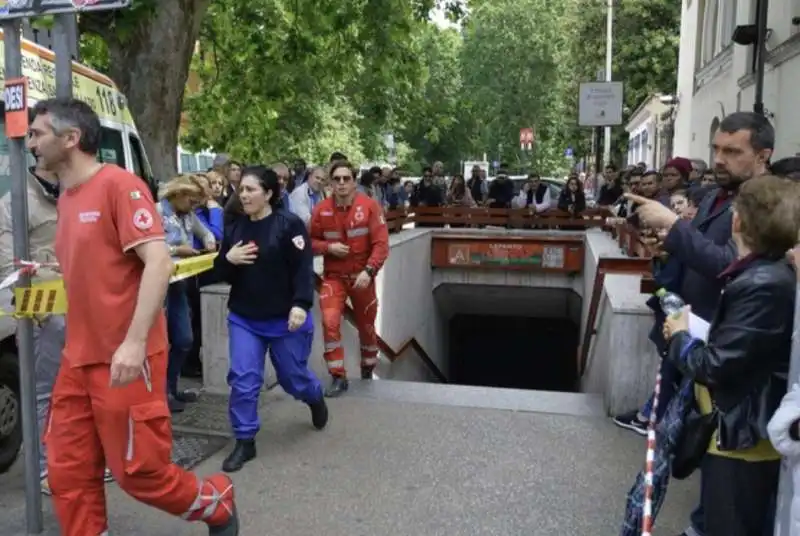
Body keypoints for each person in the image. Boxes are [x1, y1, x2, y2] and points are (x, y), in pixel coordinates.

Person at [27, 97, 238, 536]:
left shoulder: (120, 186)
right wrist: (43, 271)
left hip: (126, 359)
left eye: (37, 132)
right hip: (78, 359)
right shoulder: (66, 199)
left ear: (71, 139)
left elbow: (158, 263)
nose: (28, 141)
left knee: (139, 473)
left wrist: (135, 342)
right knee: (67, 471)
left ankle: (214, 503)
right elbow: (92, 267)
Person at [663, 174, 800, 536]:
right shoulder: (764, 275)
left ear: (737, 220)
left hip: (741, 437)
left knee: (731, 521)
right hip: (735, 427)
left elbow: (716, 367)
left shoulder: (763, 284)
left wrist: (680, 336)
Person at [214, 165, 328, 472]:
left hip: (285, 319)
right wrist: (228, 260)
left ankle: (314, 396)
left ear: (268, 194)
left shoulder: (288, 225)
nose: (244, 194)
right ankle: (245, 440)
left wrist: (301, 304)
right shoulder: (236, 226)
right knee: (243, 379)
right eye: (242, 189)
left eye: (251, 190)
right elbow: (218, 272)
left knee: (292, 378)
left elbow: (302, 269)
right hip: (245, 318)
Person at [310, 160, 389, 397]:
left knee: (366, 327)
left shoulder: (370, 207)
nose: (342, 183)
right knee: (330, 321)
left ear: (354, 182)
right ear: (331, 183)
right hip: (334, 277)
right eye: (337, 179)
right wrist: (328, 247)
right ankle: (338, 376)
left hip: (362, 277)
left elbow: (381, 245)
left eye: (346, 179)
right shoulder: (321, 209)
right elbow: (309, 242)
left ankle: (368, 366)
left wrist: (369, 271)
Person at [156, 174, 216, 413]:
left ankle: (171, 386)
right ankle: (162, 393)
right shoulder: (156, 212)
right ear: (179, 194)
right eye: (192, 202)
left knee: (183, 340)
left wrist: (209, 240)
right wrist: (175, 249)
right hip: (159, 284)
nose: (194, 207)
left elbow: (205, 232)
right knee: (161, 341)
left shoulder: (188, 216)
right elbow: (146, 244)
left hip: (180, 283)